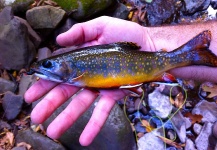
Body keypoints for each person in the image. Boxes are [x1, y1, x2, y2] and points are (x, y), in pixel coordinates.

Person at [24, 16, 217, 146]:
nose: (43, 68)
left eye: (48, 65)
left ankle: (193, 54)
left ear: (66, 64)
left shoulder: (76, 69)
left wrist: (149, 39)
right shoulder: (74, 71)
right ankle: (193, 54)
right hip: (148, 65)